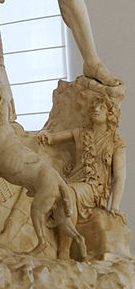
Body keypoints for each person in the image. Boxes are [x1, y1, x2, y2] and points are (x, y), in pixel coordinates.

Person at [38, 94, 126, 257]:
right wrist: (44, 134)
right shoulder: (80, 133)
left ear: (109, 114)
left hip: (94, 189)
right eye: (94, 107)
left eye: (102, 107)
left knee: (68, 193)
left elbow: (120, 177)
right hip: (73, 180)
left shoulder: (116, 142)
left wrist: (115, 206)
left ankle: (64, 250)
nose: (96, 110)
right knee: (53, 191)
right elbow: (53, 138)